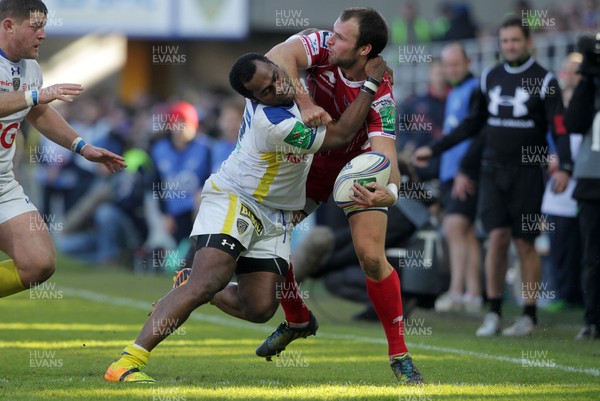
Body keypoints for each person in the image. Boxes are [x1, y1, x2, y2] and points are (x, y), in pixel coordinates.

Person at [103, 52, 388, 383]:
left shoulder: (288, 78)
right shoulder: (274, 124)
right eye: (266, 90)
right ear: (254, 99)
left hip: (276, 215)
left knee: (260, 309)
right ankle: (126, 363)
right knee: (209, 278)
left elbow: (299, 45)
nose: (278, 87)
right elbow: (339, 136)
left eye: (276, 76)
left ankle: (190, 283)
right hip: (237, 200)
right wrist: (371, 83)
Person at [253, 7, 423, 384]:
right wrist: (306, 102)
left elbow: (387, 157)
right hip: (311, 164)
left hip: (356, 168)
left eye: (341, 37)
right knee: (268, 239)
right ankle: (297, 318)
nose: (331, 40)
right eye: (333, 33)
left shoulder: (382, 96)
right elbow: (279, 56)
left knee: (370, 257)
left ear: (364, 50)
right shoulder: (321, 46)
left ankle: (399, 354)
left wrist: (389, 194)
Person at [414, 16, 572, 336]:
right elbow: (474, 125)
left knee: (525, 243)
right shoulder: (491, 77)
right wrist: (437, 148)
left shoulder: (545, 80)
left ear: (528, 42)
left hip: (528, 173)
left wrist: (565, 165)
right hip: (491, 171)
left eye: (515, 40)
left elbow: (560, 127)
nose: (510, 46)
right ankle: (494, 312)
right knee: (497, 240)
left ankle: (528, 314)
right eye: (505, 41)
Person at [0, 0, 126, 298]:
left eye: (44, 26)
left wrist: (81, 147)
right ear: (8, 25)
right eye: (35, 27)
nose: (43, 34)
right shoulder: (31, 85)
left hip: (3, 185)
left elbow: (38, 112)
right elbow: (32, 100)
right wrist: (36, 95)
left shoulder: (30, 69)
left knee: (38, 263)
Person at [433, 43, 482, 313]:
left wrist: (466, 169)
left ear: (468, 61)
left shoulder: (475, 89)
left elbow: (475, 133)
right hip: (451, 171)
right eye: (447, 65)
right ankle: (474, 296)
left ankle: (456, 291)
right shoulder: (455, 91)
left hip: (465, 171)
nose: (451, 70)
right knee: (468, 232)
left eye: (456, 64)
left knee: (453, 227)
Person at [564, 39, 600, 340]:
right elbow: (573, 122)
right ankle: (592, 320)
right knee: (592, 255)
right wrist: (588, 76)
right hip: (592, 180)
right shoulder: (591, 84)